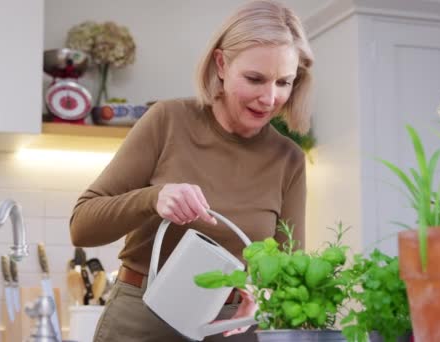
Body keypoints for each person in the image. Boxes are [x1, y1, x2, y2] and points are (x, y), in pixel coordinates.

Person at [69, 1, 314, 341]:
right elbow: (82, 227)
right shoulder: (167, 121)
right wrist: (154, 199)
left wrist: (265, 296)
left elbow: (289, 268)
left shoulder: (289, 159)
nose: (269, 98)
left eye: (284, 82)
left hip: (233, 328)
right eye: (255, 79)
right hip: (142, 319)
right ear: (221, 64)